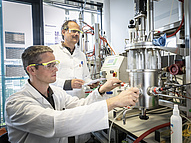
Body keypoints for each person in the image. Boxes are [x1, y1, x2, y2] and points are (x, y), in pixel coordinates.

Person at [5, 45, 139, 143]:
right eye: (50, 65)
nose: (56, 69)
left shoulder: (56, 93)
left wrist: (101, 90)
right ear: (32, 69)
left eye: (55, 64)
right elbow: (55, 123)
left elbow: (81, 105)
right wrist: (114, 102)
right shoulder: (16, 104)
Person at [50, 20, 97, 98]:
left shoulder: (81, 55)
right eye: (73, 31)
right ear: (63, 32)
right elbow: (47, 78)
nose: (76, 34)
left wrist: (90, 83)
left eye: (78, 32)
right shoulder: (52, 52)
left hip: (79, 98)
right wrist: (67, 84)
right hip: (59, 98)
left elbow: (86, 77)